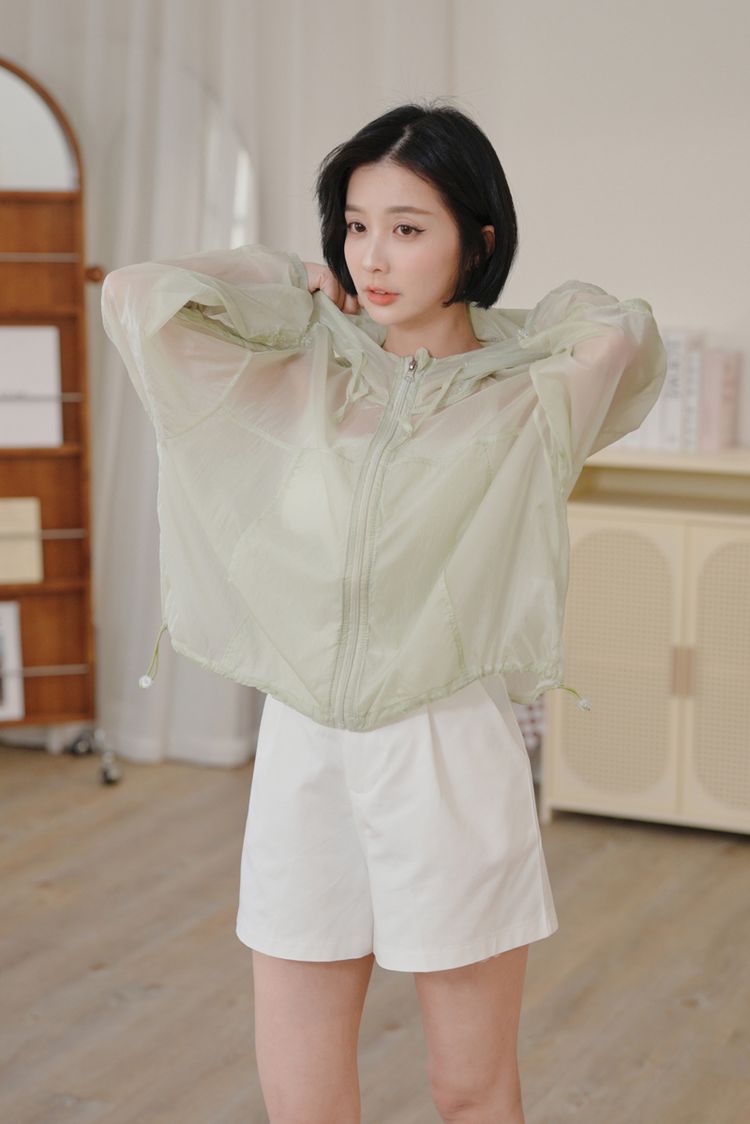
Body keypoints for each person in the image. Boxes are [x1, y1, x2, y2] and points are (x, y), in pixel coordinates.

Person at [101, 99, 666, 1124]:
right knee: (302, 1094)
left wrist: (487, 337)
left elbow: (621, 329)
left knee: (469, 1087)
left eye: (408, 227)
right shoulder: (300, 367)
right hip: (304, 747)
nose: (372, 256)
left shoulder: (525, 393)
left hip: (445, 747)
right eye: (356, 225)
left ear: (475, 240)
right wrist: (290, 282)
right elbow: (139, 296)